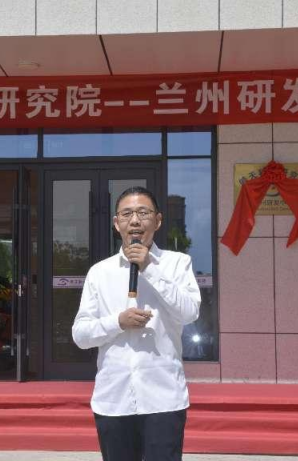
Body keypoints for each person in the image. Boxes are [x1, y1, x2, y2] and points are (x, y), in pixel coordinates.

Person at [72, 186, 201, 461]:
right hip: (113, 398)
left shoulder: (178, 264)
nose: (135, 220)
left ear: (158, 220)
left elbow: (189, 313)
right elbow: (81, 335)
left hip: (163, 396)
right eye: (127, 214)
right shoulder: (100, 272)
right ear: (116, 223)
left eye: (143, 213)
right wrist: (117, 322)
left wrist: (149, 268)